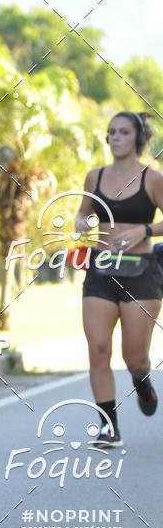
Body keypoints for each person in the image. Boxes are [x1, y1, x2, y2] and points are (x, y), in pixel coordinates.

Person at [75, 110, 163, 447]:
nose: (115, 137)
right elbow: (84, 212)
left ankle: (142, 382)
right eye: (111, 132)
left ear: (138, 139)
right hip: (101, 270)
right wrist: (81, 221)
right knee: (98, 349)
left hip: (141, 273)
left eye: (123, 132)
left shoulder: (153, 179)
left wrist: (144, 229)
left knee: (134, 357)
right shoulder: (94, 177)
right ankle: (108, 427)